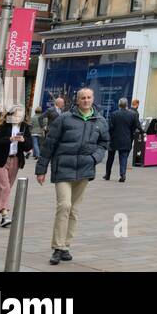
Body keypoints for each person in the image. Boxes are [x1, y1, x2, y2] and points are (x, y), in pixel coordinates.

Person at [36, 87, 110, 266]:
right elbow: (49, 143)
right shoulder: (64, 118)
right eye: (82, 97)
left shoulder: (100, 121)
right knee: (64, 205)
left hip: (85, 169)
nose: (85, 100)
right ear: (77, 100)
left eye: (89, 97)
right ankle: (57, 247)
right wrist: (41, 169)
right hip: (63, 168)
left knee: (74, 210)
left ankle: (66, 246)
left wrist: (95, 158)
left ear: (93, 99)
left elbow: (104, 143)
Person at [0, 105, 31, 227]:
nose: (17, 117)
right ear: (9, 116)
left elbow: (29, 145)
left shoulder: (24, 128)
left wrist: (23, 141)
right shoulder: (2, 127)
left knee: (5, 187)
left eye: (20, 115)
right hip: (1, 160)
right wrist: (9, 139)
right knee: (5, 187)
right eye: (15, 115)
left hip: (16, 160)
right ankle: (5, 216)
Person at [104, 97, 140, 182]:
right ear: (127, 105)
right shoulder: (132, 115)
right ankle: (122, 174)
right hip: (126, 138)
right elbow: (135, 126)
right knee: (123, 157)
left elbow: (110, 127)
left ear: (119, 105)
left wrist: (110, 135)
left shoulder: (114, 114)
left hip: (114, 139)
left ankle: (107, 174)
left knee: (110, 157)